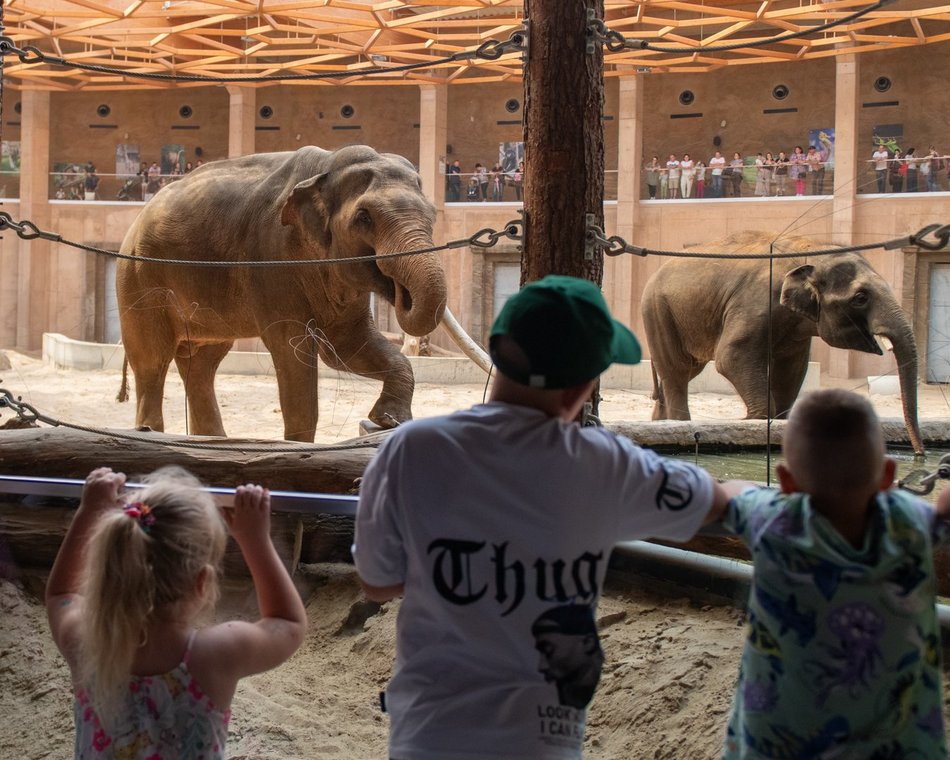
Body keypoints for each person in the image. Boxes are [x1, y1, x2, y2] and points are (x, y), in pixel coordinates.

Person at [353, 274, 734, 760]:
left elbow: (378, 581)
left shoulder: (412, 448)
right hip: (543, 741)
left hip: (429, 732)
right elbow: (720, 505)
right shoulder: (607, 463)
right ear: (584, 383)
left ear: (496, 351)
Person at [720, 389, 949, 759]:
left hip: (780, 746)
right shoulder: (915, 523)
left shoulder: (771, 518)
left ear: (785, 480)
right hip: (901, 748)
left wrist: (749, 490)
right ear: (889, 473)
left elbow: (729, 495)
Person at [46, 466, 307, 759]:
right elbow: (287, 623)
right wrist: (255, 539)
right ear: (202, 582)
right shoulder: (214, 655)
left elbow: (61, 594)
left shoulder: (83, 640)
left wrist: (88, 512)